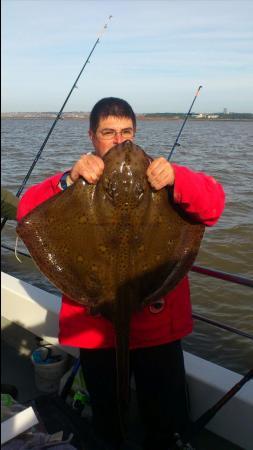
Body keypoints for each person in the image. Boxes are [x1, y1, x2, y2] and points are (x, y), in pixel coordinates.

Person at [17, 97, 225, 450]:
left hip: (157, 328)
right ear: (92, 137)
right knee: (107, 419)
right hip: (98, 328)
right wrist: (68, 180)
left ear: (136, 132)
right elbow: (27, 214)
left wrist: (178, 178)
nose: (120, 142)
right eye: (108, 133)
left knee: (164, 421)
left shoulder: (165, 180)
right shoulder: (75, 180)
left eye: (126, 131)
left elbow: (214, 206)